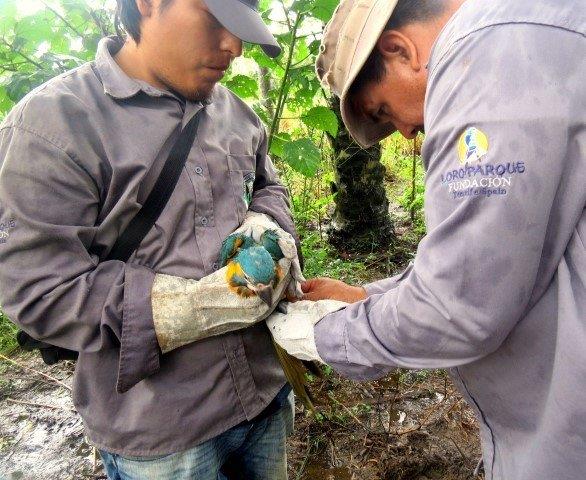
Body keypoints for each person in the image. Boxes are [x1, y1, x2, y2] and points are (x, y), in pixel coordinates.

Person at [266, 1, 586, 479]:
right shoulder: (528, 35)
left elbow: (460, 304)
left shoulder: (484, 54)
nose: (406, 131)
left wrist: (322, 333)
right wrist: (368, 297)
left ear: (399, 50)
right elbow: (498, 255)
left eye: (384, 111)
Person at [0, 0, 303, 478]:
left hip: (264, 392)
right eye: (216, 20)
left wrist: (265, 225)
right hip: (163, 433)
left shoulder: (237, 114)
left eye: (241, 29)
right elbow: (38, 288)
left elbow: (268, 186)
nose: (234, 47)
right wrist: (189, 307)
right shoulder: (52, 127)